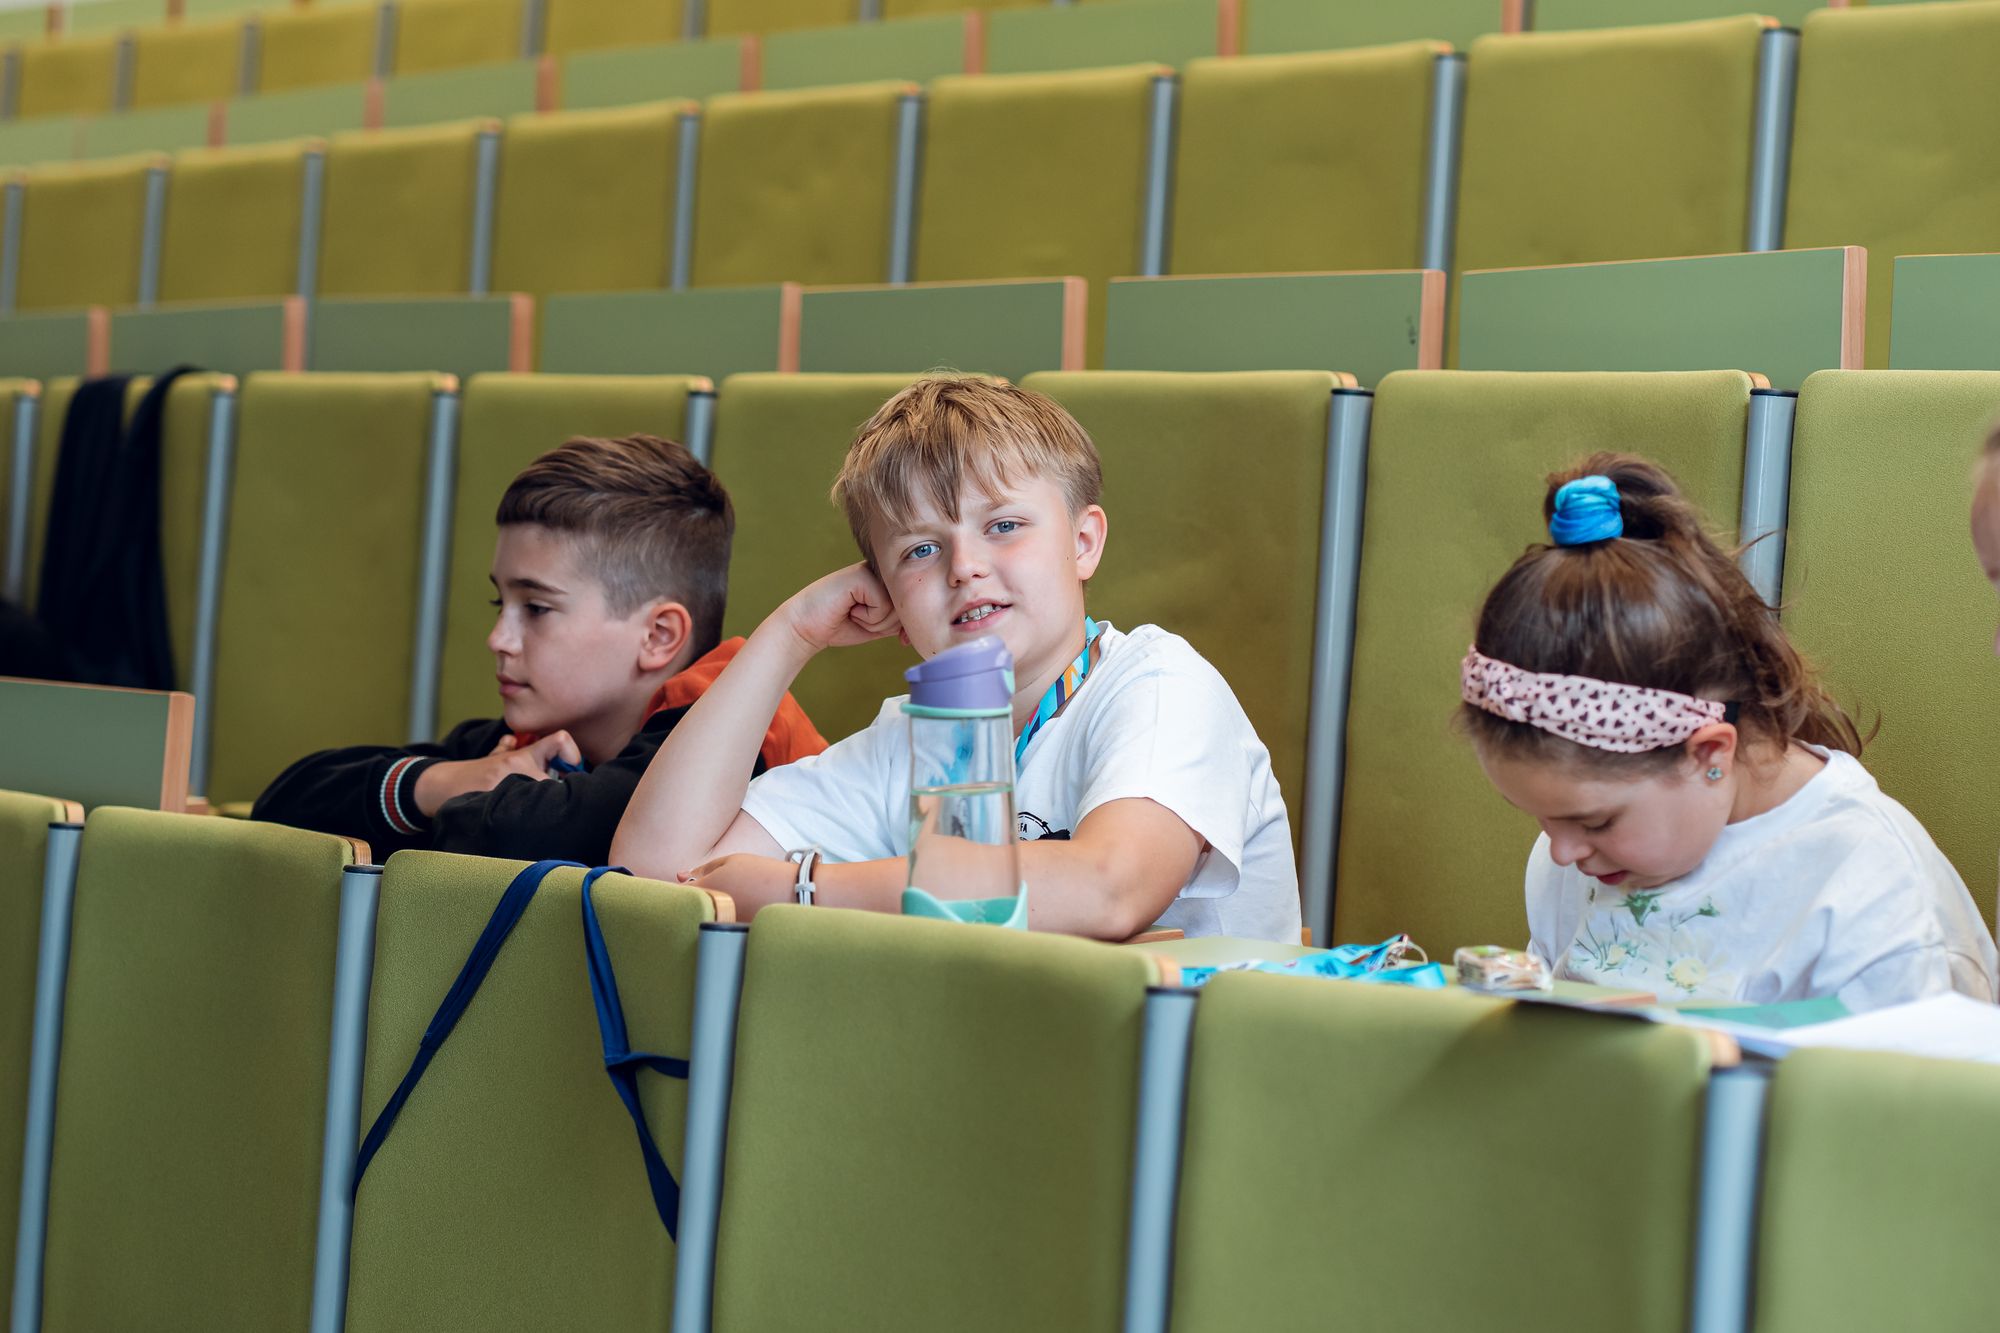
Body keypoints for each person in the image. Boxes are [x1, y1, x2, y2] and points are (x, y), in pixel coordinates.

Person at [611, 376, 1299, 941]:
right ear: (889, 597)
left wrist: (804, 887)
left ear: (1083, 542)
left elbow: (1110, 887)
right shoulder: (909, 740)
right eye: (920, 549)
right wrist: (793, 632)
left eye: (1004, 525)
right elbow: (655, 875)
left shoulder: (1157, 684)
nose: (964, 566)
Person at [1462, 452, 1997, 1011]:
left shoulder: (1877, 904)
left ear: (1709, 754)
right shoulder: (1583, 849)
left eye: (1596, 821)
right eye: (1540, 816)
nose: (1562, 851)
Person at [253, 433, 825, 863]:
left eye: (537, 608)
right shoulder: (531, 745)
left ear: (658, 636)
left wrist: (470, 804)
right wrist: (443, 783)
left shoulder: (739, 742)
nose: (498, 639)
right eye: (498, 602)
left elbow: (519, 833)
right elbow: (284, 807)